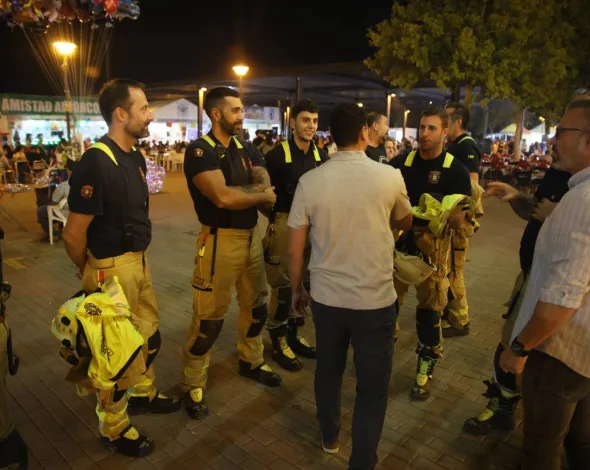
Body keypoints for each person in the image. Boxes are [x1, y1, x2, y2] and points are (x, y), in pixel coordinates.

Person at [287, 103, 412, 469]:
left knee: (328, 370)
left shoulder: (311, 181)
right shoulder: (388, 177)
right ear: (363, 132)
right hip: (375, 300)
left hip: (326, 299)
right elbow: (405, 222)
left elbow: (294, 248)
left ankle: (330, 436)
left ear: (330, 136)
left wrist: (297, 289)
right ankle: (363, 460)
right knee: (373, 387)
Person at [63, 79, 181, 457]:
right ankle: (113, 428)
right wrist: (91, 270)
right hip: (109, 269)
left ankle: (143, 393)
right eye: (144, 108)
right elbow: (72, 233)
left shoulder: (133, 156)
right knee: (113, 355)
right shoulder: (95, 161)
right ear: (121, 114)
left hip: (138, 263)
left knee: (148, 336)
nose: (150, 115)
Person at [500, 97, 590, 470]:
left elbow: (564, 296)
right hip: (581, 351)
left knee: (541, 446)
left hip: (558, 351)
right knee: (580, 440)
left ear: (587, 140)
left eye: (561, 131)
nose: (552, 139)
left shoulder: (581, 200)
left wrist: (520, 347)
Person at [182, 87, 281, 420]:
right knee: (209, 318)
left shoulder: (248, 147)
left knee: (257, 306)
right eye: (235, 110)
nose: (241, 116)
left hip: (252, 237)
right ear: (216, 114)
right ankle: (193, 382)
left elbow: (262, 179)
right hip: (218, 242)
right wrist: (260, 194)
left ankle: (251, 360)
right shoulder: (200, 152)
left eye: (242, 110)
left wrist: (255, 192)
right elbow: (222, 197)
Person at [463, 153, 570, 435]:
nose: (555, 143)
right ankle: (509, 407)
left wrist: (559, 216)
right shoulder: (559, 171)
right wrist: (516, 198)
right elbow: (536, 212)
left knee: (516, 347)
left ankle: (512, 411)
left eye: (563, 133)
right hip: (531, 274)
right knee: (510, 342)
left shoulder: (583, 184)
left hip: (555, 284)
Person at [390, 108, 472, 400]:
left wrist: (455, 217)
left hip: (434, 250)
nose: (424, 134)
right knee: (387, 304)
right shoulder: (400, 162)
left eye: (432, 128)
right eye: (422, 127)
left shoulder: (455, 169)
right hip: (398, 245)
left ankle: (426, 364)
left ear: (445, 132)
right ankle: (380, 356)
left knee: (430, 310)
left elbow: (465, 213)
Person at [263, 100, 328, 371]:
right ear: (293, 123)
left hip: (313, 228)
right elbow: (264, 195)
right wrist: (277, 221)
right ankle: (278, 339)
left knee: (306, 282)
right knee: (283, 285)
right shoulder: (276, 156)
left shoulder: (320, 157)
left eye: (314, 121)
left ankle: (294, 333)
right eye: (305, 120)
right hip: (285, 223)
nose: (310, 126)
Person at [442, 103, 483, 337]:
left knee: (454, 269)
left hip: (459, 219)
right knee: (448, 267)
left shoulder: (466, 146)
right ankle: (451, 312)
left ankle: (460, 321)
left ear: (457, 121)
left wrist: (462, 216)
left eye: (446, 117)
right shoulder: (456, 145)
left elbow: (473, 184)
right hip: (451, 217)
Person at [37, 159, 75, 241]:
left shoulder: (64, 185)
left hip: (67, 213)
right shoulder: (87, 184)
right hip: (82, 211)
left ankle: (51, 234)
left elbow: (54, 201)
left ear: (68, 171)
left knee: (42, 210)